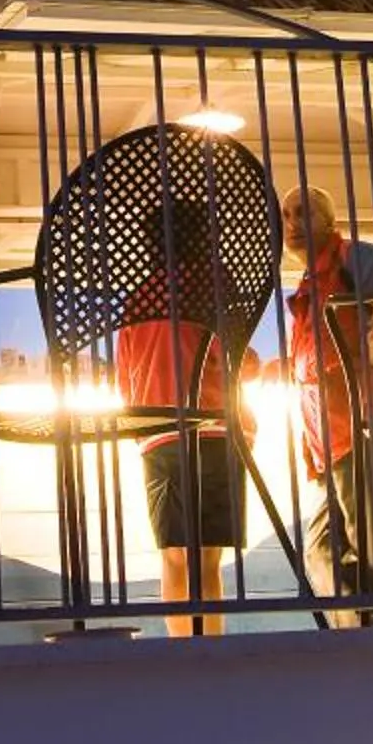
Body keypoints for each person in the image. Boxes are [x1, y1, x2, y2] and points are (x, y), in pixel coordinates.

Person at [113, 193, 254, 637]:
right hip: (214, 429)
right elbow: (229, 359)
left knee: (173, 555)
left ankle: (181, 647)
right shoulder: (214, 287)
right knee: (207, 557)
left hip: (157, 432)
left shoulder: (139, 300)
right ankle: (210, 646)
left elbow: (124, 376)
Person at [281, 185, 373, 626]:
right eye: (285, 216)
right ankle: (366, 626)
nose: (292, 225)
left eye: (304, 213)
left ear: (329, 221)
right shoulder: (309, 286)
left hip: (367, 421)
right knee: (322, 548)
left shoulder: (345, 258)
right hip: (333, 439)